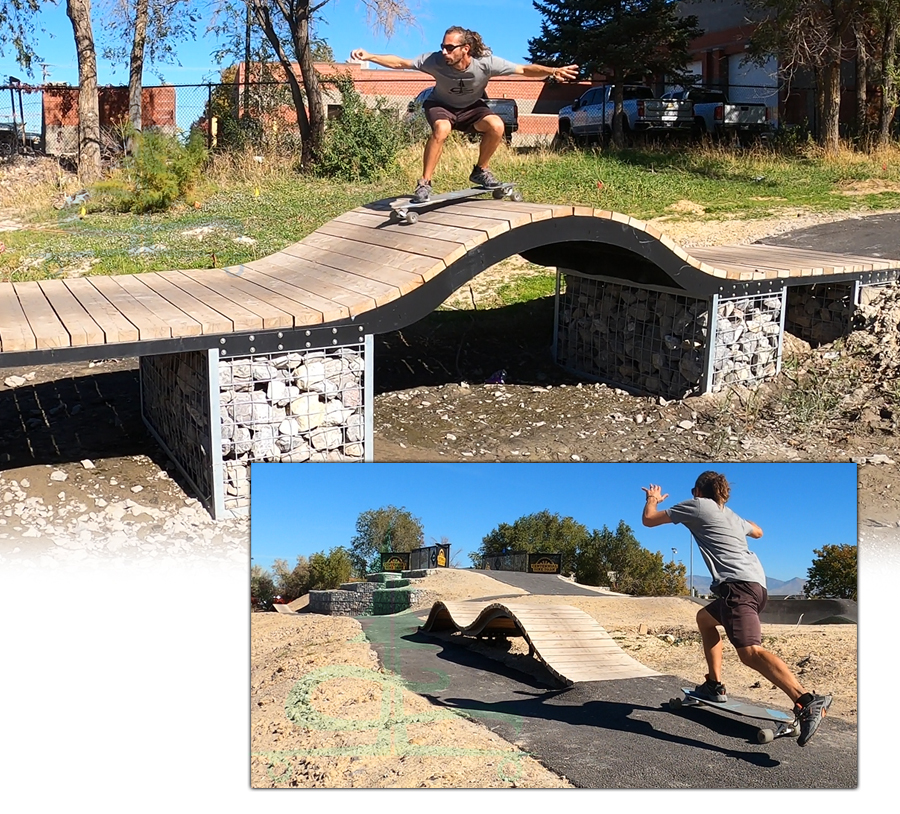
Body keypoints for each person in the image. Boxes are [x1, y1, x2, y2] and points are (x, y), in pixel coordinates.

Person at [641, 471, 833, 747]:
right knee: (704, 619)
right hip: (757, 586)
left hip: (738, 588)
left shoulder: (696, 505)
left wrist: (652, 499)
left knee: (750, 653)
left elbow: (649, 520)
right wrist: (745, 525)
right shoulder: (730, 515)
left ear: (697, 491)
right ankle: (713, 685)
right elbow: (759, 531)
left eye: (694, 490)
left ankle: (806, 700)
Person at [351, 27, 578, 202]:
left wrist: (553, 71)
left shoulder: (486, 64)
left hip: (471, 108)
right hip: (440, 105)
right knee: (442, 129)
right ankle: (424, 182)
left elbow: (523, 69)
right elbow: (401, 62)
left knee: (497, 125)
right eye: (443, 46)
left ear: (465, 49)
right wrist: (370, 56)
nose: (444, 52)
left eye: (450, 48)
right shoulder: (434, 61)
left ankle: (481, 170)